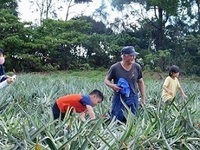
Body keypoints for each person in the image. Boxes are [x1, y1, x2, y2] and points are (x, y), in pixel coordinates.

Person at [104, 46, 146, 123]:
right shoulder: (115, 67)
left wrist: (143, 98)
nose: (133, 57)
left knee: (133, 120)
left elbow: (140, 82)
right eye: (131, 55)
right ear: (124, 56)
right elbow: (106, 80)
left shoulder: (137, 67)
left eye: (134, 55)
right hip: (119, 98)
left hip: (133, 96)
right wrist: (112, 86)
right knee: (116, 119)